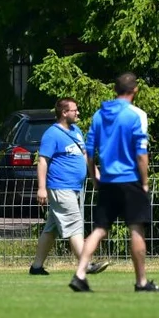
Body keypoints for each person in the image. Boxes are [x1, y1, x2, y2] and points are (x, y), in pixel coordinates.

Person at [70, 72, 159, 293]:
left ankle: (80, 274)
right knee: (136, 228)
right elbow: (141, 154)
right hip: (130, 179)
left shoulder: (99, 115)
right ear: (135, 90)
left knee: (99, 229)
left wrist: (95, 176)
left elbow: (89, 150)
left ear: (115, 90)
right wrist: (144, 182)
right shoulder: (134, 117)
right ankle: (141, 282)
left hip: (107, 180)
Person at [29, 97, 109, 276]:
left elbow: (85, 156)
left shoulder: (77, 131)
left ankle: (36, 267)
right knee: (74, 224)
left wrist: (96, 177)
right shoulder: (52, 134)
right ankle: (86, 265)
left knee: (51, 229)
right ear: (64, 113)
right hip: (60, 187)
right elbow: (42, 161)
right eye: (75, 110)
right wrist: (41, 188)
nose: (78, 112)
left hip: (75, 188)